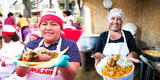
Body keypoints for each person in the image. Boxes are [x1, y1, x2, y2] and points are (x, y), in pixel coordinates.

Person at [15, 9, 81, 80]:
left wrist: (64, 65)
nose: (48, 28)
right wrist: (24, 62)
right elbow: (20, 74)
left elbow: (70, 77)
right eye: (44, 24)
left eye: (54, 24)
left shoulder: (69, 45)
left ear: (61, 28)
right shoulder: (32, 44)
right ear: (39, 27)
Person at [91, 8, 140, 79]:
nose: (115, 21)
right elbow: (98, 51)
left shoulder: (128, 35)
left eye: (119, 19)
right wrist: (98, 55)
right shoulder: (103, 36)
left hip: (126, 73)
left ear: (122, 21)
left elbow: (134, 51)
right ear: (108, 20)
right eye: (112, 18)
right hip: (108, 74)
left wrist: (131, 55)